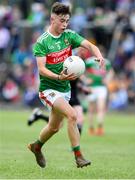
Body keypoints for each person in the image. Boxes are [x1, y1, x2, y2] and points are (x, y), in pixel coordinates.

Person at [28, 2, 104, 168]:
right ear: (52, 19)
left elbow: (90, 45)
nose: (64, 24)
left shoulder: (69, 36)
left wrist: (98, 55)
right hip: (48, 90)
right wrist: (58, 77)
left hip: (65, 89)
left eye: (67, 21)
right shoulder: (42, 42)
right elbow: (41, 70)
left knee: (54, 127)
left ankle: (36, 146)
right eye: (61, 20)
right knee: (72, 115)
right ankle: (78, 156)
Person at [84, 57, 112, 136]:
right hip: (91, 88)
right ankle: (91, 128)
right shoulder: (89, 61)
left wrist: (107, 79)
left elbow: (111, 72)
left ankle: (100, 127)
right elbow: (81, 70)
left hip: (101, 87)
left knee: (101, 108)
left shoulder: (106, 62)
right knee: (91, 109)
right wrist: (86, 80)